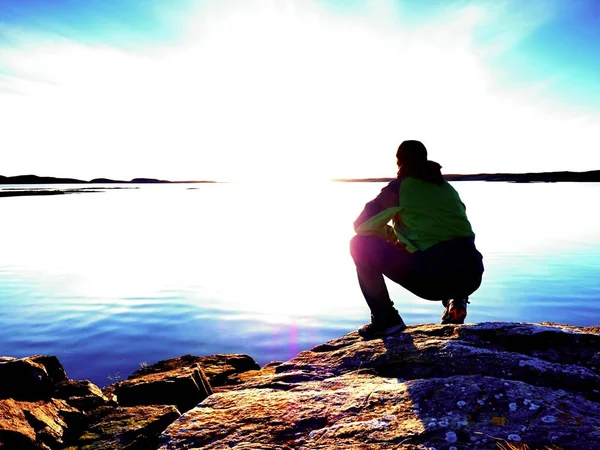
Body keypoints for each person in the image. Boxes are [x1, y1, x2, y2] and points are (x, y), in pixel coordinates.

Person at [350, 140, 484, 338]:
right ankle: (456, 300)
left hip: (434, 278)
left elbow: (361, 225)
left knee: (359, 244)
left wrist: (388, 235)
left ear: (399, 163)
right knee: (445, 248)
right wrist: (399, 237)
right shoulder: (446, 188)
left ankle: (385, 319)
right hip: (473, 274)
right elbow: (442, 230)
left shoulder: (398, 188)